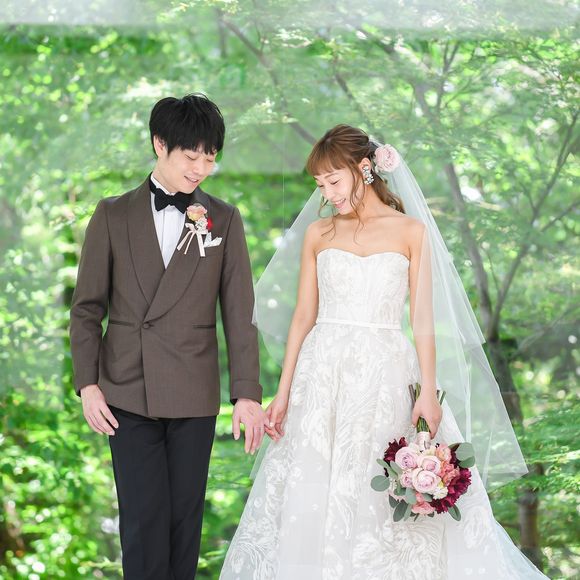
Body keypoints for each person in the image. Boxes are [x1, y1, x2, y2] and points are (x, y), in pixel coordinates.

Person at [219, 124, 550, 579]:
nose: (328, 194)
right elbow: (303, 317)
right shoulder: (319, 233)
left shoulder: (411, 231)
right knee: (312, 487)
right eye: (320, 185)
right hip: (322, 375)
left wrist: (428, 391)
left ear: (364, 168)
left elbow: (422, 321)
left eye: (334, 181)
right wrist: (283, 391)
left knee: (377, 492)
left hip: (386, 373)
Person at [69, 92, 269, 580]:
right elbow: (87, 309)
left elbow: (240, 314)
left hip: (193, 395)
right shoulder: (112, 214)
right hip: (125, 392)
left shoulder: (223, 219)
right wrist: (88, 385)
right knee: (142, 526)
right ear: (160, 144)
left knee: (184, 527)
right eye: (191, 156)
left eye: (210, 158)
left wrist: (246, 395)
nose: (201, 169)